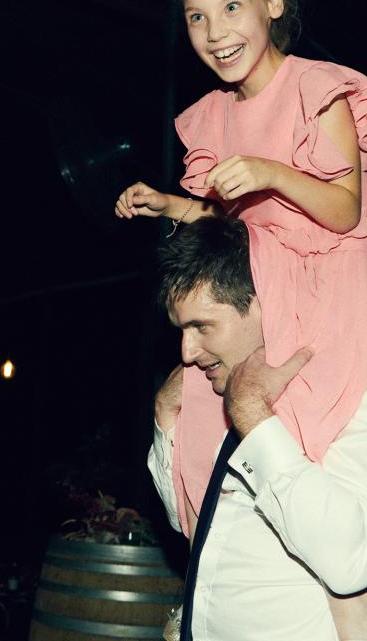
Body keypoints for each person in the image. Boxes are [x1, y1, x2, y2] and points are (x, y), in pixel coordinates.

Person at [113, 0, 367, 541]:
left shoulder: (314, 89)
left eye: (232, 7)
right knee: (203, 409)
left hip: (325, 286)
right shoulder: (216, 115)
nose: (216, 32)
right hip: (254, 288)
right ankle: (214, 547)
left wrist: (271, 171)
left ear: (272, 2)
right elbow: (232, 222)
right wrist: (168, 204)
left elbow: (345, 209)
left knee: (302, 438)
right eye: (197, 16)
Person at [150, 216, 367, 640]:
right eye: (181, 330)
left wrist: (254, 418)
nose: (187, 352)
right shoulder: (218, 394)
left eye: (201, 326)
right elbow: (186, 521)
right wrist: (166, 418)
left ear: (262, 301)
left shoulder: (345, 396)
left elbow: (349, 562)